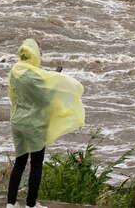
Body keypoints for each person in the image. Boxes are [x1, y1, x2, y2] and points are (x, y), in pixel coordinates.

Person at [6, 39, 85, 208]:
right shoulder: (36, 76)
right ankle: (31, 205)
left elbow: (14, 94)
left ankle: (10, 204)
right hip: (33, 124)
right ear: (34, 55)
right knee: (36, 165)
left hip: (17, 122)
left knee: (19, 163)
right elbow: (45, 100)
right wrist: (54, 85)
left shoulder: (15, 70)